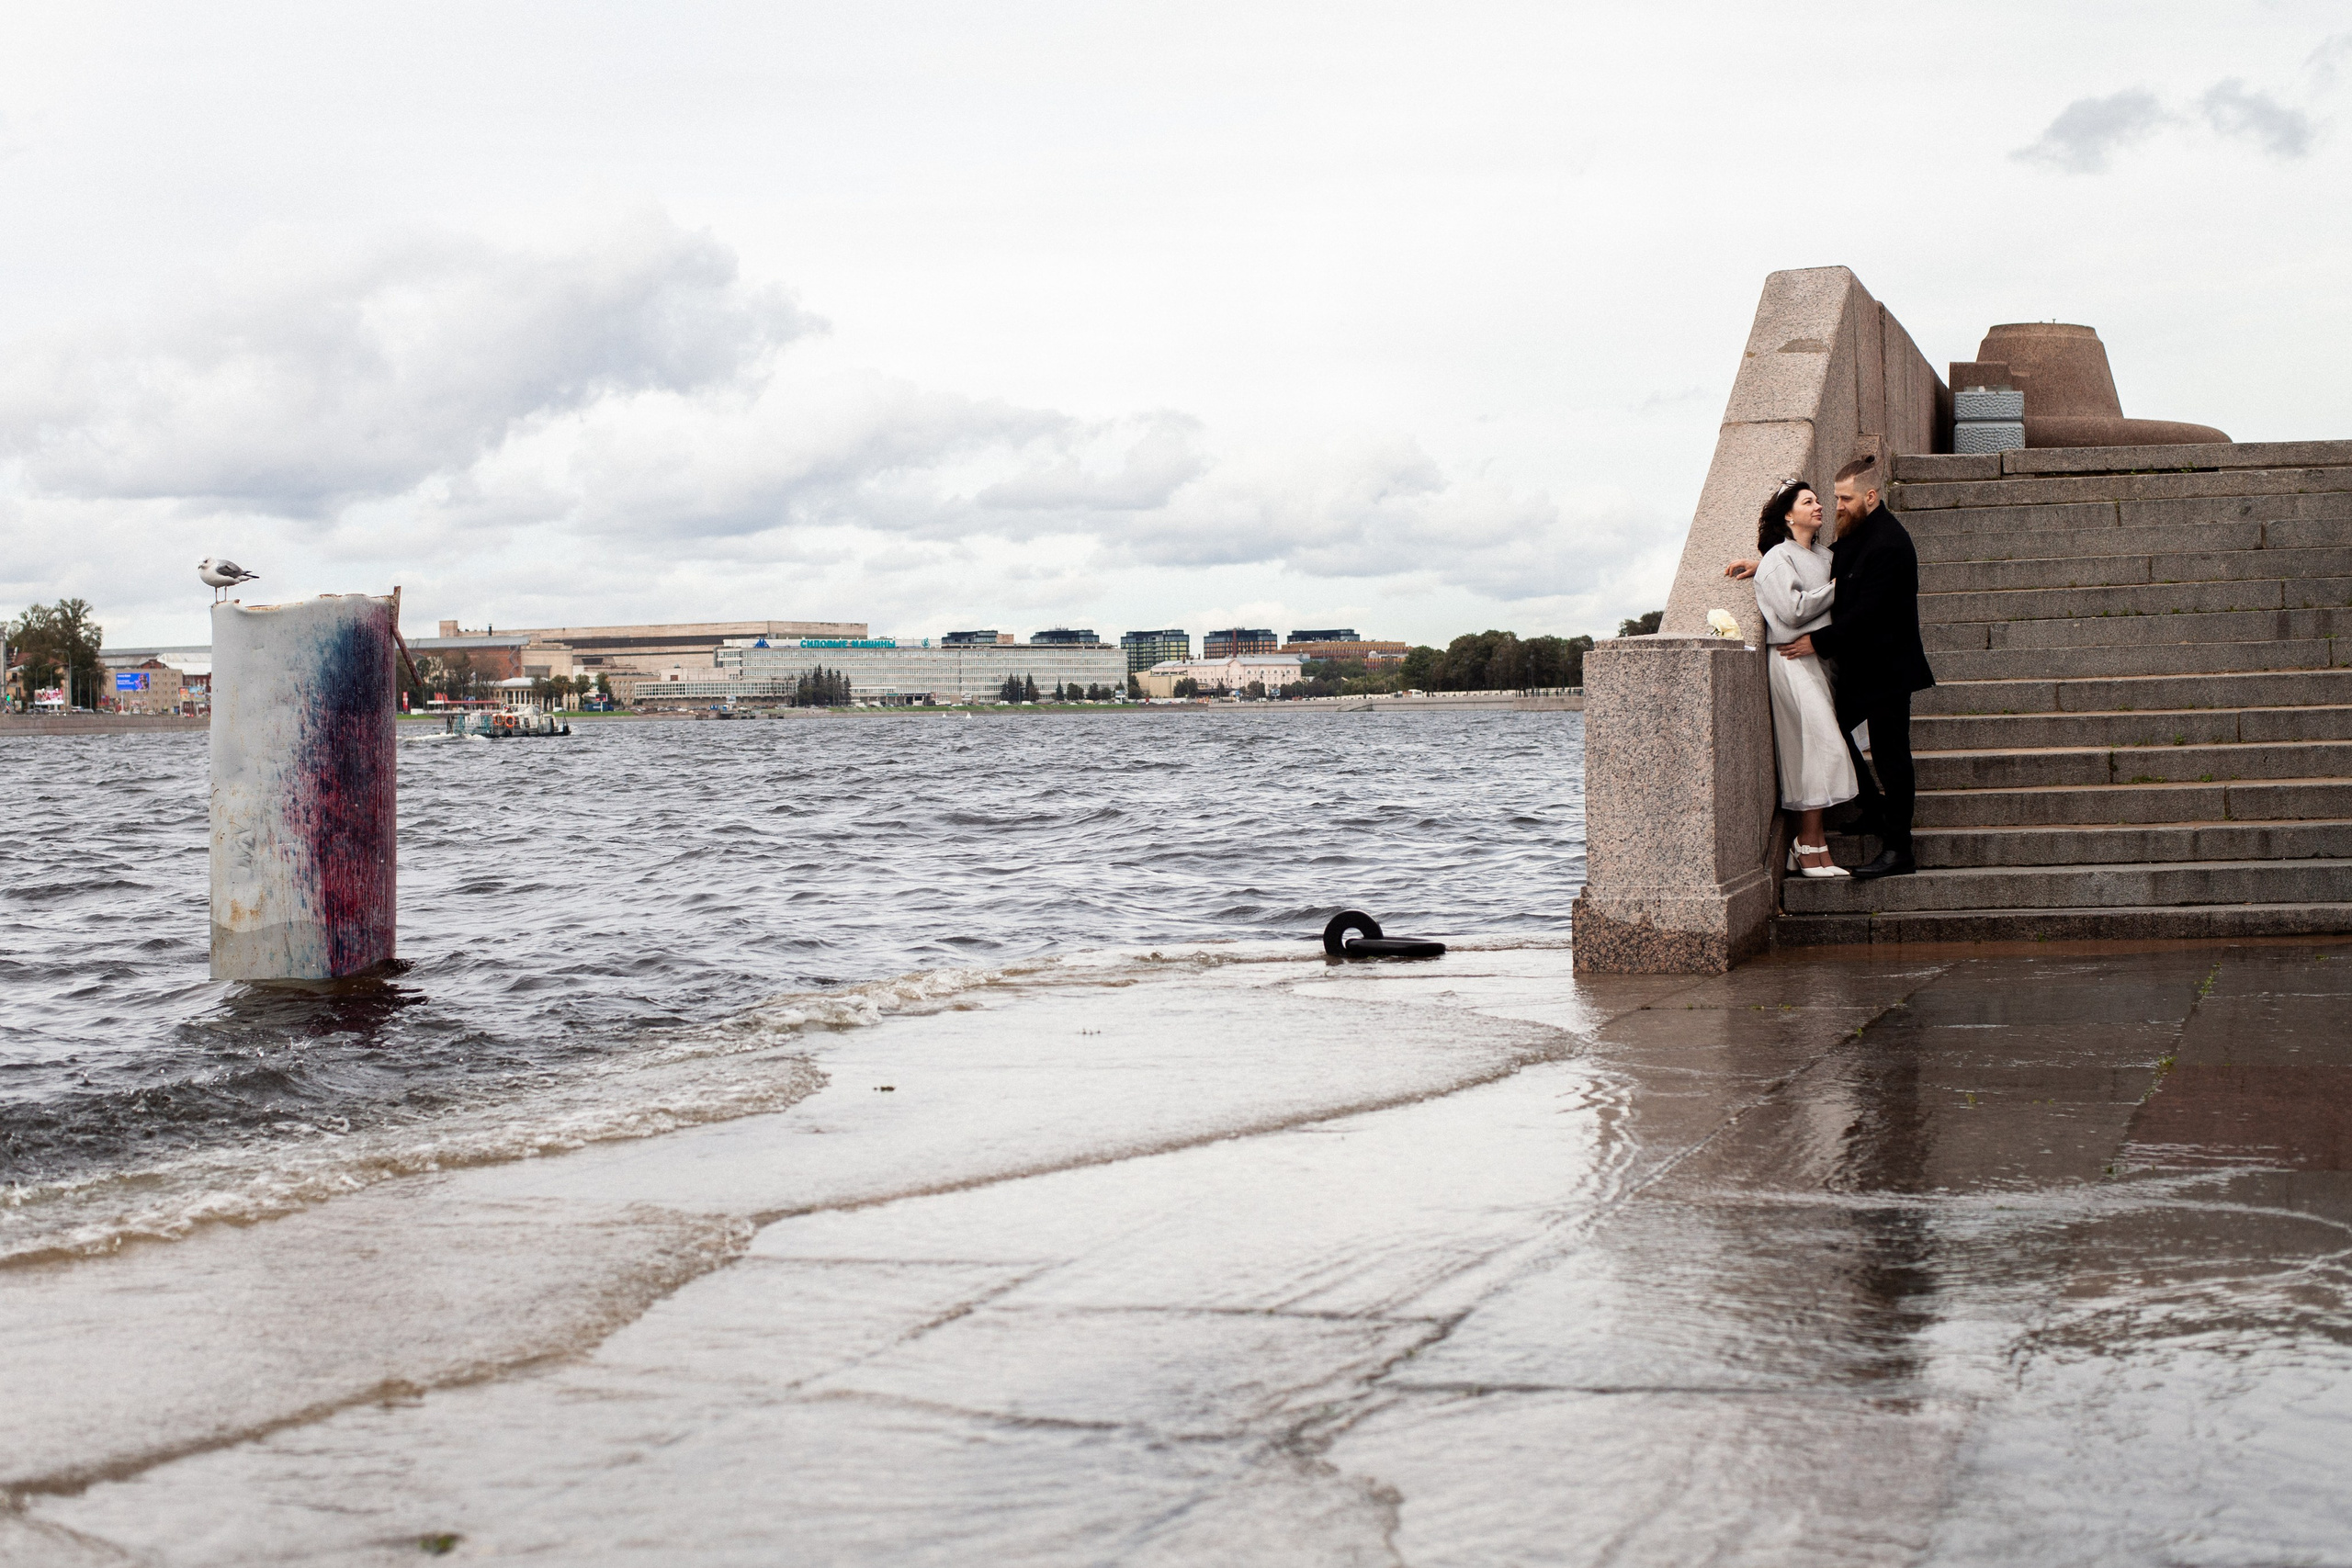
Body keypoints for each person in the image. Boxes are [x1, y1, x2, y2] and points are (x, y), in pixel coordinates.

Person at [1775, 457, 1935, 878]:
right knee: (1834, 728)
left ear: (1870, 496)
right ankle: (1873, 808)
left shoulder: (1889, 543)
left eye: (1845, 498)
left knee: (1892, 756)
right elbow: (1825, 569)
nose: (1837, 506)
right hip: (1864, 669)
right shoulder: (1857, 532)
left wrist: (1816, 641)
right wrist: (1767, 569)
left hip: (1889, 669)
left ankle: (1900, 849)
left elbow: (1867, 614)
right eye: (1835, 497)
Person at [1753, 481, 1856, 877]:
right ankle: (1807, 845)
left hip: (1821, 662)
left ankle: (1814, 848)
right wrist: (1836, 588)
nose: (1818, 507)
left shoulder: (1826, 555)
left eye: (1818, 501)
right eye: (1808, 502)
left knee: (1819, 753)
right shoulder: (1778, 557)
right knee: (1817, 749)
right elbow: (1793, 609)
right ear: (1788, 515)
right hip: (1791, 662)